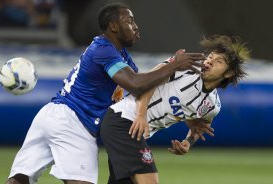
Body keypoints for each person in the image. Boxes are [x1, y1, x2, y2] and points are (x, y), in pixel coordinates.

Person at [6, 3, 206, 184]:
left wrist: (186, 117)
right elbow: (136, 84)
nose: (136, 26)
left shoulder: (120, 57)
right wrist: (174, 65)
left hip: (51, 115)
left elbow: (144, 86)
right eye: (129, 21)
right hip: (75, 121)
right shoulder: (103, 50)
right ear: (113, 26)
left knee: (19, 179)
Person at [100, 35, 250, 184]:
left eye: (219, 61)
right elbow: (149, 82)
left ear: (228, 73)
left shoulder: (212, 105)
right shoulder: (186, 68)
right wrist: (140, 114)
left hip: (136, 131)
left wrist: (188, 142)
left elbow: (202, 125)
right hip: (123, 119)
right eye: (210, 56)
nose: (210, 61)